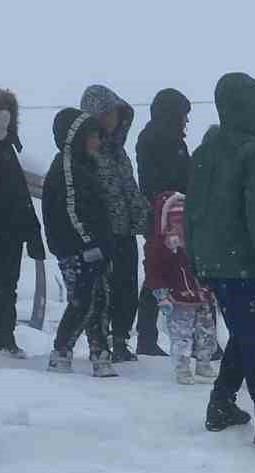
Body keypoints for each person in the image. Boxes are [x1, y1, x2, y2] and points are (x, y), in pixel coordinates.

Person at [186, 72, 255, 452]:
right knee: (254, 335)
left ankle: (221, 404)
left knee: (244, 331)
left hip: (214, 263)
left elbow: (192, 213)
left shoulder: (203, 153)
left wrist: (196, 258)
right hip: (246, 263)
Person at [41, 109, 115, 376]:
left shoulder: (86, 167)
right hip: (78, 251)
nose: (98, 141)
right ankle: (61, 351)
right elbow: (70, 212)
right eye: (93, 135)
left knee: (100, 299)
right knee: (82, 301)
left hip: (96, 248)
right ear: (77, 138)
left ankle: (100, 352)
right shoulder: (66, 168)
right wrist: (89, 244)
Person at [79, 85, 150, 362]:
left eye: (117, 113)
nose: (115, 119)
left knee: (126, 287)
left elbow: (130, 190)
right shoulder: (87, 153)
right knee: (102, 291)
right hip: (101, 235)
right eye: (109, 113)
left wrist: (146, 220)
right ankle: (101, 342)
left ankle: (120, 339)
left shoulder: (119, 153)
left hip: (125, 233)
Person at [133, 88, 194, 357]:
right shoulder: (157, 139)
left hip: (174, 212)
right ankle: (148, 337)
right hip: (164, 215)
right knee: (162, 273)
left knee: (169, 273)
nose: (186, 121)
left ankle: (153, 337)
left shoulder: (169, 139)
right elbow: (164, 179)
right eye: (183, 115)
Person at [0, 85, 45, 358]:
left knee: (7, 286)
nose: (4, 117)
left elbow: (20, 192)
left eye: (8, 112)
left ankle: (4, 338)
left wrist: (33, 231)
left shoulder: (7, 147)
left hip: (9, 231)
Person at [143, 190, 216, 384]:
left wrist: (211, 286)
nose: (179, 226)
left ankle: (203, 363)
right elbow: (153, 272)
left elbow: (206, 265)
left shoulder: (197, 243)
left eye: (183, 221)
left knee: (206, 331)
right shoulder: (159, 246)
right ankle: (182, 367)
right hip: (177, 297)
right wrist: (161, 295)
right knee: (181, 335)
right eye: (174, 221)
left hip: (200, 295)